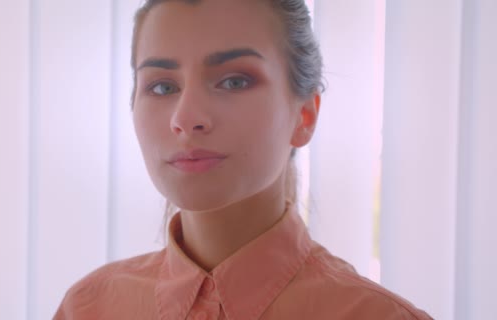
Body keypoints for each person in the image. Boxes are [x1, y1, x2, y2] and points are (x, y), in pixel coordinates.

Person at [54, 0, 433, 319]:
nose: (185, 118)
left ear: (304, 116)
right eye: (162, 86)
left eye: (234, 81)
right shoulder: (89, 308)